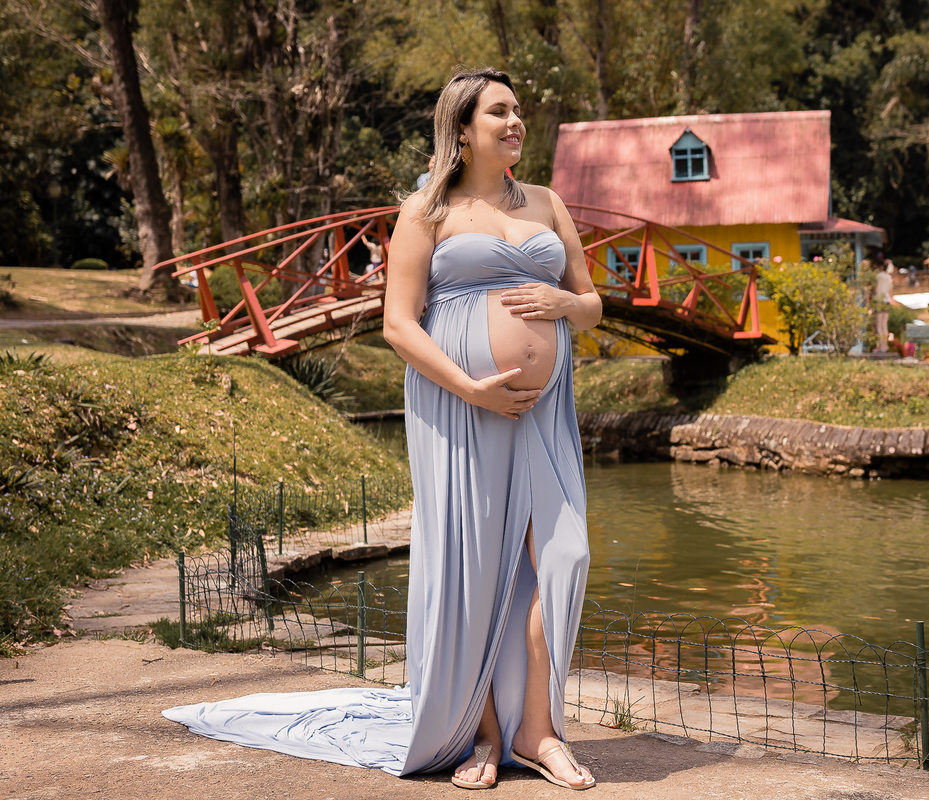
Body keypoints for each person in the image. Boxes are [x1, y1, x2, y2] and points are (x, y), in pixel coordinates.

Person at [162, 68, 602, 791]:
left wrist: (563, 300)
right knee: (480, 572)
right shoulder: (425, 209)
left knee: (566, 558)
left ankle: (539, 728)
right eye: (500, 111)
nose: (516, 120)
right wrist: (468, 387)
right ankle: (487, 736)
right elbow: (399, 324)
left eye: (519, 110)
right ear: (462, 128)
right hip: (461, 409)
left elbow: (591, 306)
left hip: (544, 414)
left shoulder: (548, 203)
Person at [873, 261, 893, 353]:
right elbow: (890, 289)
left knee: (879, 325)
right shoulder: (888, 277)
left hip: (879, 300)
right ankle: (885, 346)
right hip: (886, 300)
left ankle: (881, 346)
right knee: (884, 325)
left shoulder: (878, 276)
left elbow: (875, 289)